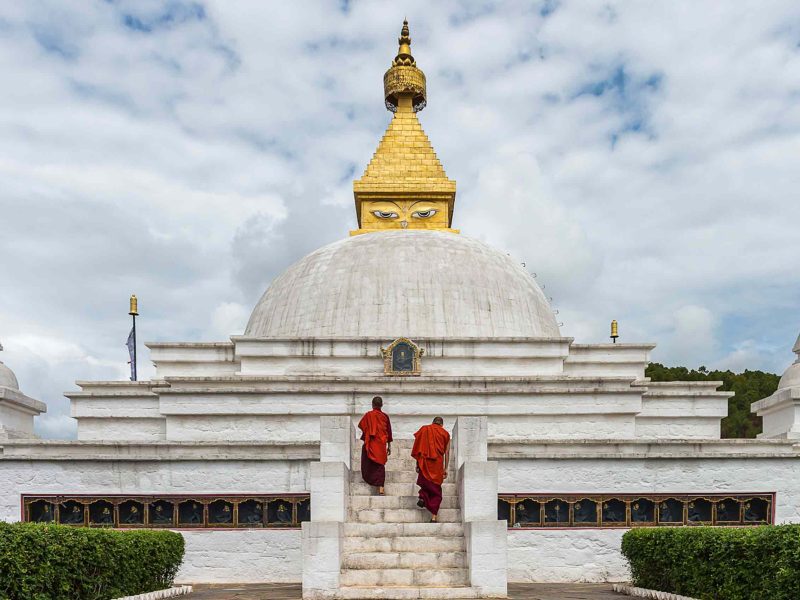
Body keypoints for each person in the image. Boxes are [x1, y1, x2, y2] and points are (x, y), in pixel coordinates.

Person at [411, 416, 451, 522]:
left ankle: (422, 498)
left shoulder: (424, 429)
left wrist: (417, 464)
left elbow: (419, 448)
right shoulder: (445, 434)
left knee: (425, 484)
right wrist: (445, 468)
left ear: (432, 422)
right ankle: (434, 517)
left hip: (424, 463)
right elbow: (447, 453)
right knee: (436, 490)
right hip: (437, 465)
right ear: (442, 425)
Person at [357, 396, 393, 495]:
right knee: (380, 465)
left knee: (368, 460)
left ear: (372, 405)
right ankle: (381, 487)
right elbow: (388, 432)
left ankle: (370, 480)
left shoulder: (368, 415)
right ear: (381, 405)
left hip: (371, 443)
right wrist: (389, 446)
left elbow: (362, 426)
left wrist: (368, 434)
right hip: (381, 444)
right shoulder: (385, 416)